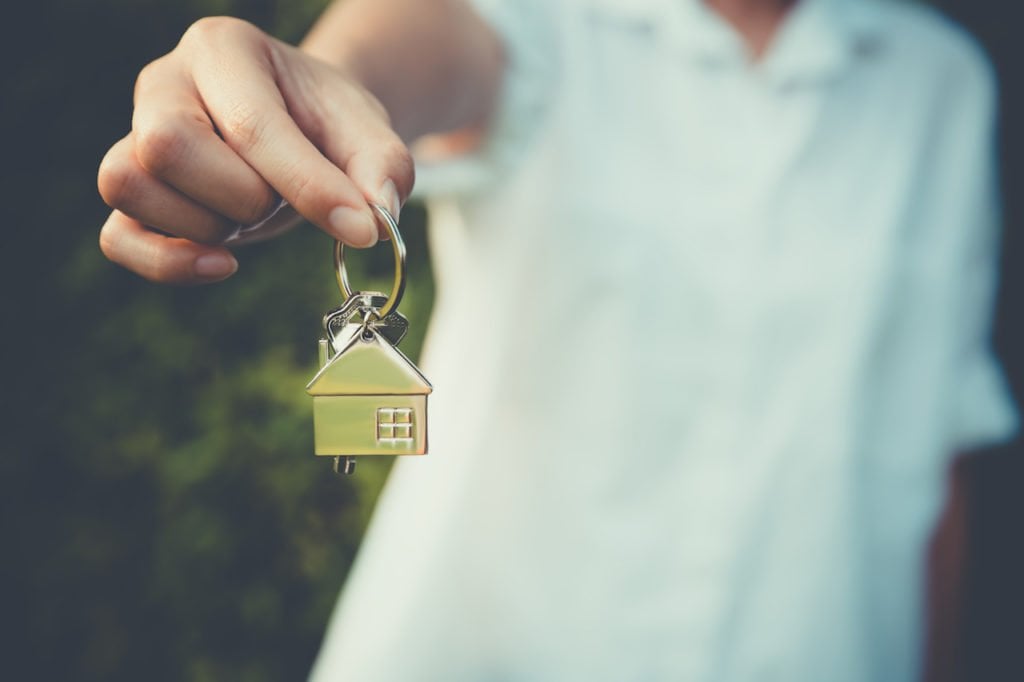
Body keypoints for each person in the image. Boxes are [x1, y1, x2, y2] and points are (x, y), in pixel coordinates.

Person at [96, 0, 1018, 679]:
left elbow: (933, 449)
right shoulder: (540, 18)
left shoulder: (939, 87)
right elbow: (400, 54)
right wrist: (309, 90)